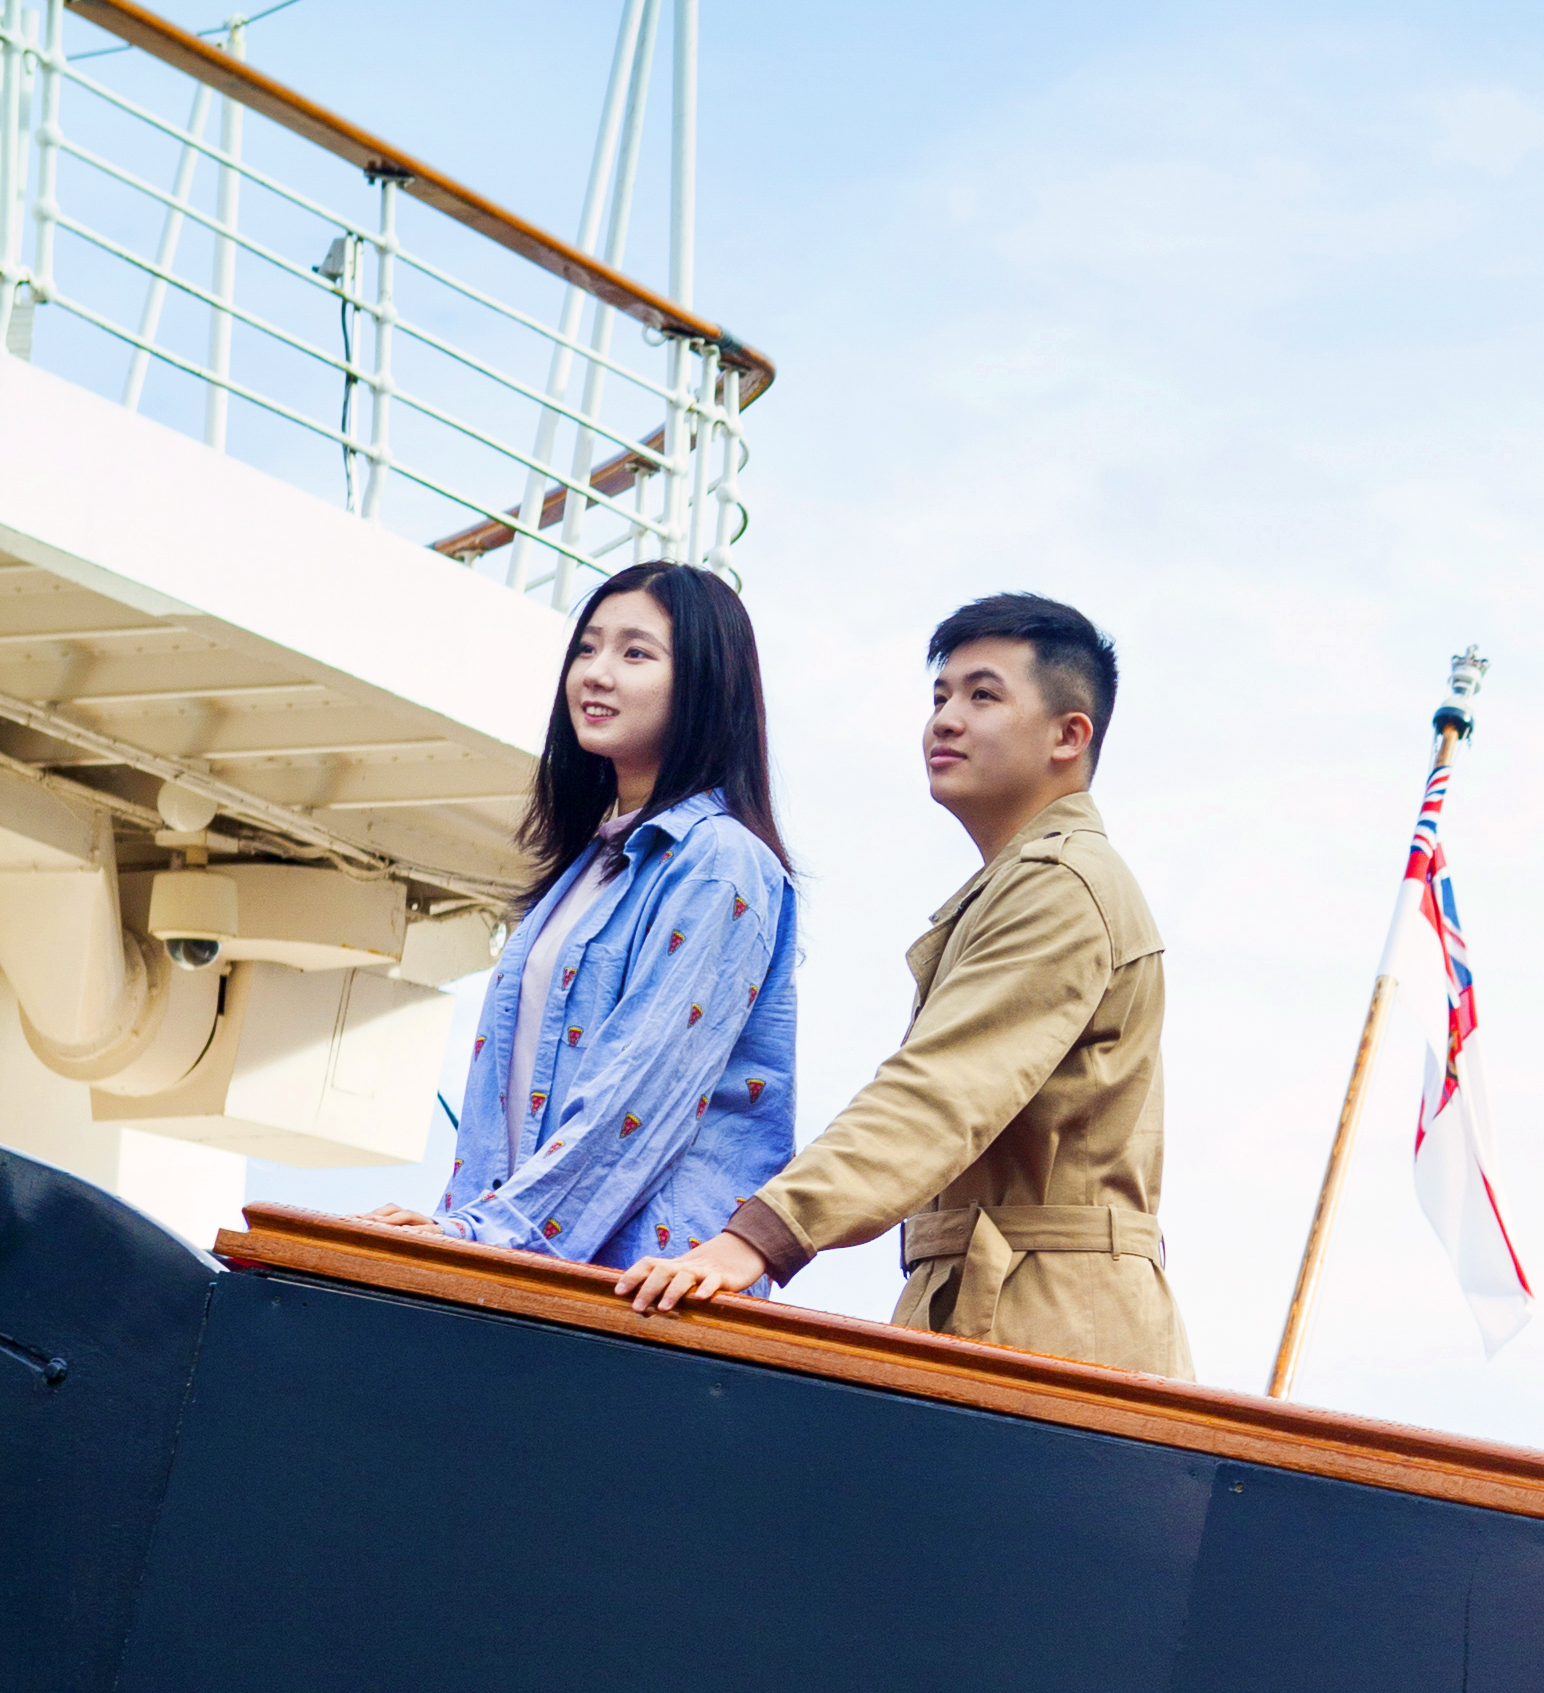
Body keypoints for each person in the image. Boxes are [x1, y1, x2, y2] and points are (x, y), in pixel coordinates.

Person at [616, 593, 1187, 1377]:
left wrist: (761, 1235)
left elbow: (940, 1093)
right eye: (940, 697)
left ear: (1068, 734)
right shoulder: (1025, 882)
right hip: (993, 1298)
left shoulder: (1062, 883)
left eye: (983, 695)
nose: (945, 720)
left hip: (1054, 1322)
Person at [366, 558, 795, 1266]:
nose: (596, 673)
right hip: (530, 1263)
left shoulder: (719, 860)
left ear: (704, 687)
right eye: (588, 648)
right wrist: (457, 1232)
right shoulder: (588, 866)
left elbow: (641, 1092)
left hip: (640, 1292)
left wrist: (479, 1236)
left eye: (635, 653)